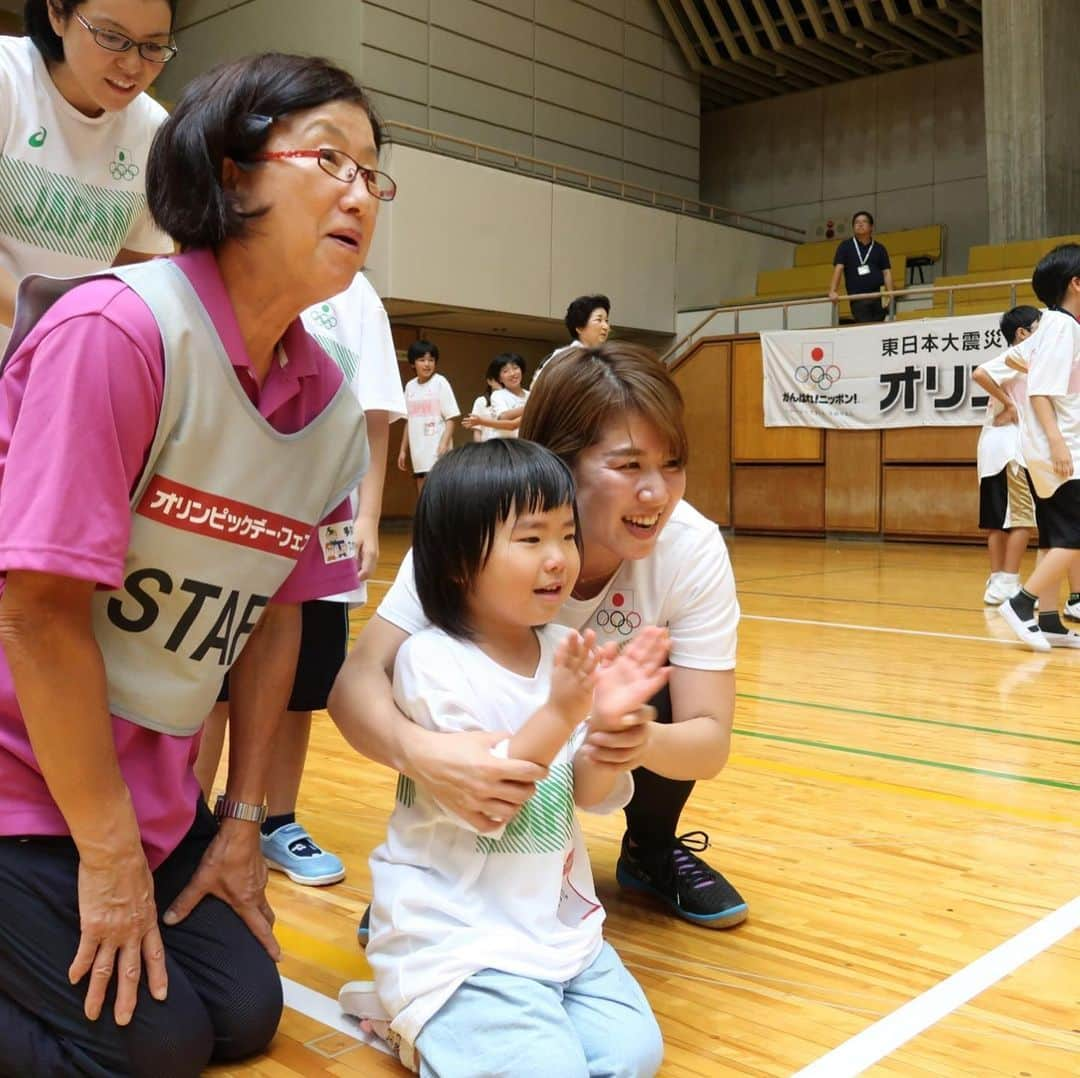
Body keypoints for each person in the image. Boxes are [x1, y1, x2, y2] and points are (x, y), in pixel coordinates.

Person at [0, 51, 390, 1073]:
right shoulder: (116, 333)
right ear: (229, 174)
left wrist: (240, 821)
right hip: (17, 782)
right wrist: (109, 855)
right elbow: (39, 614)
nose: (361, 192)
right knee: (156, 1048)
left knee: (243, 1011)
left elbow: (276, 618)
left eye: (373, 173)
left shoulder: (329, 411)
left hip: (152, 797)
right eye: (331, 160)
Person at [331, 342, 747, 938]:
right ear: (560, 459)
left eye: (672, 463)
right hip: (477, 767)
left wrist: (623, 732)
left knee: (643, 686)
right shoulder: (472, 531)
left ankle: (649, 850)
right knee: (432, 664)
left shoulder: (691, 546)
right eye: (629, 466)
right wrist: (417, 752)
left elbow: (709, 740)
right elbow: (358, 681)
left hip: (589, 736)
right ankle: (435, 870)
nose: (657, 493)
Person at [338, 439, 666, 1077]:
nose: (559, 560)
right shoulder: (432, 662)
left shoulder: (567, 647)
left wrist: (607, 731)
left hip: (554, 928)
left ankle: (449, 1032)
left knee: (632, 1057)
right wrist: (563, 715)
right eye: (531, 539)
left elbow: (588, 795)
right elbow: (492, 807)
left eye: (568, 536)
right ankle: (412, 1016)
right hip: (457, 937)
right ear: (460, 561)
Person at [194, 270, 405, 887]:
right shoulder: (226, 266)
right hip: (229, 516)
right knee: (212, 682)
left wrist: (367, 515)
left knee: (299, 686)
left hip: (323, 519)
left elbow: (374, 414)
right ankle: (190, 821)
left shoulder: (355, 293)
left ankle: (274, 820)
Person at [0, 0, 177, 351]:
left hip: (53, 371)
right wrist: (65, 325)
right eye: (112, 37)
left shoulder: (155, 133)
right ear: (57, 13)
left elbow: (136, 271)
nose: (132, 65)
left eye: (153, 46)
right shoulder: (8, 79)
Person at [999, 245, 1080, 651]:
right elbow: (1041, 392)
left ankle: (1049, 621)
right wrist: (1058, 443)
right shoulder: (1063, 327)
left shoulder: (1048, 325)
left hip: (1046, 449)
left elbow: (1013, 363)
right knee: (1073, 536)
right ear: (1076, 284)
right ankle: (1021, 602)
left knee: (1054, 536)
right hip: (1062, 449)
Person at [972, 306, 1039, 605]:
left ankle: (998, 582)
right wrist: (1009, 406)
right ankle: (1009, 583)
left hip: (993, 448)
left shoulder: (1030, 361)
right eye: (1039, 326)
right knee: (1023, 519)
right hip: (1009, 450)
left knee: (997, 520)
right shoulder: (1019, 355)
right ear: (1022, 333)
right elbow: (979, 373)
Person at [397, 339, 460, 493]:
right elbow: (408, 421)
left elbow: (451, 418)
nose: (427, 364)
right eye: (422, 360)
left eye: (431, 360)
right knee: (423, 492)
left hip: (438, 449)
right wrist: (403, 450)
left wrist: (444, 444)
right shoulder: (410, 386)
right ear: (413, 363)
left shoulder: (440, 382)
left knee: (439, 492)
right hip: (418, 450)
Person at [529, 293, 611, 388]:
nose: (606, 326)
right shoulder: (563, 356)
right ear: (579, 327)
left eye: (606, 321)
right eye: (599, 320)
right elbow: (535, 388)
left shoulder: (606, 359)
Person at [828, 211, 893, 323]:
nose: (860, 224)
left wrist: (891, 293)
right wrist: (832, 291)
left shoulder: (879, 248)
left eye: (864, 222)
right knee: (866, 327)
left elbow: (886, 272)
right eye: (857, 222)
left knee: (879, 329)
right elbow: (838, 268)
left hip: (879, 298)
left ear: (871, 226)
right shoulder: (845, 246)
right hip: (858, 299)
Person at [462, 351, 529, 438]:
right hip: (504, 445)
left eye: (515, 368)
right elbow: (503, 417)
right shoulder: (498, 395)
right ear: (499, 378)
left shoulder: (531, 395)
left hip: (526, 445)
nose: (512, 373)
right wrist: (531, 407)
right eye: (505, 371)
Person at [468, 359, 503, 443]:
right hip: (487, 447)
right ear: (490, 381)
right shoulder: (481, 401)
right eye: (499, 381)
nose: (502, 384)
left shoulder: (512, 399)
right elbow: (477, 431)